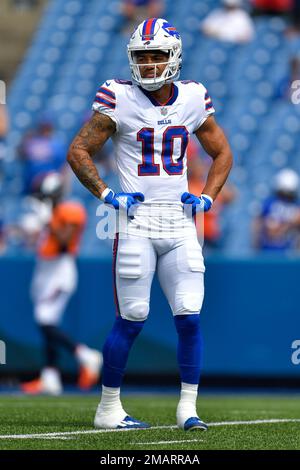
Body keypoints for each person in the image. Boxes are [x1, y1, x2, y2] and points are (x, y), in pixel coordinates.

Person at [67, 18, 233, 430]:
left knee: (189, 314)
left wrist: (208, 196)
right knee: (132, 318)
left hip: (180, 222)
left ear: (174, 55)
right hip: (135, 222)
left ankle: (188, 409)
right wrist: (107, 195)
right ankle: (108, 409)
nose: (149, 64)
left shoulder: (193, 97)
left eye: (157, 55)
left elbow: (222, 152)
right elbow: (79, 151)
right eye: (142, 56)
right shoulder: (118, 97)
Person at [21, 173, 102, 395]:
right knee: (48, 324)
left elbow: (65, 241)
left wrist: (48, 220)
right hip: (45, 270)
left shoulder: (69, 210)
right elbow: (35, 241)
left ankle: (86, 355)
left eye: (46, 197)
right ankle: (50, 376)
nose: (43, 201)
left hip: (59, 271)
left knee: (44, 319)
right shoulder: (49, 214)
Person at [253, 168, 300, 251]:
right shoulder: (270, 203)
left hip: (288, 252)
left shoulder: (296, 205)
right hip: (267, 251)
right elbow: (269, 230)